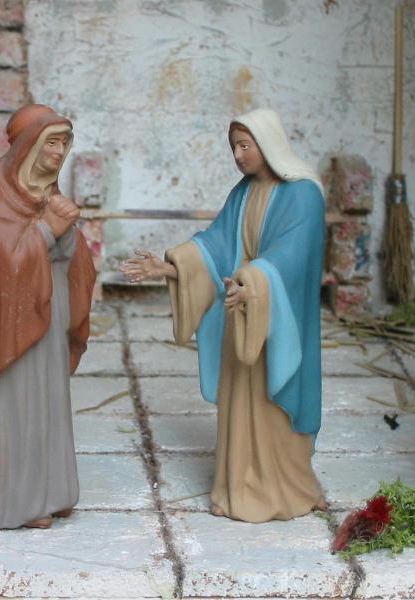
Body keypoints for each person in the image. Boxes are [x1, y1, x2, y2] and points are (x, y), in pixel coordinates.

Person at [120, 108, 327, 523]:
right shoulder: (243, 192)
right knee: (240, 403)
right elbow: (214, 246)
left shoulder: (303, 193)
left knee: (274, 402)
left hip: (273, 315)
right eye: (233, 146)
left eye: (244, 145)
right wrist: (169, 267)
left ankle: (293, 487)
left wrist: (254, 283)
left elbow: (293, 253)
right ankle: (238, 486)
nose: (238, 155)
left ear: (267, 144)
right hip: (240, 310)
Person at [0, 104, 96, 529]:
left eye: (64, 143)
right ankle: (18, 501)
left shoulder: (47, 188)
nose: (58, 152)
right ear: (28, 144)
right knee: (17, 404)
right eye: (51, 142)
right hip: (9, 322)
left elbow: (70, 256)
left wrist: (66, 235)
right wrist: (48, 230)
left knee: (49, 401)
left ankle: (53, 491)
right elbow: (1, 263)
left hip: (49, 310)